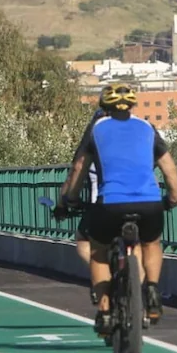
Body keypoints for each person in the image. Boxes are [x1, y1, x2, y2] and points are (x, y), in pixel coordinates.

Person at [64, 83, 177, 334]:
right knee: (151, 243)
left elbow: (79, 168)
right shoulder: (147, 127)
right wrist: (173, 197)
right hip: (149, 202)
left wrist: (70, 199)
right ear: (132, 105)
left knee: (98, 251)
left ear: (103, 106)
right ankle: (151, 289)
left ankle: (105, 311)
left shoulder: (97, 128)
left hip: (110, 204)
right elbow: (169, 167)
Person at [58, 106, 108, 302]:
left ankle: (103, 278)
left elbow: (75, 174)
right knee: (145, 243)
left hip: (103, 204)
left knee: (84, 241)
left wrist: (66, 202)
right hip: (142, 202)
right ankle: (146, 289)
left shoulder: (92, 146)